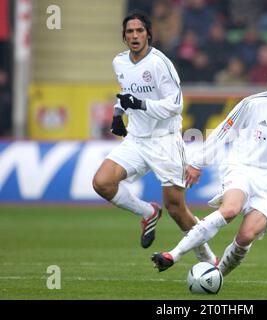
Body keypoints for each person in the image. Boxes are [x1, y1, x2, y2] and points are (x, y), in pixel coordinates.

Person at [151, 56, 267, 277]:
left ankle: (216, 276)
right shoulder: (253, 103)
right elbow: (224, 130)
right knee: (231, 209)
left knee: (245, 237)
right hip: (243, 168)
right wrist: (197, 162)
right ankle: (173, 255)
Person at [92, 10, 217, 265]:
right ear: (124, 37)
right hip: (137, 139)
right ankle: (148, 212)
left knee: (176, 209)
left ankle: (209, 261)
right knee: (102, 182)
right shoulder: (120, 62)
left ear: (149, 34)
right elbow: (126, 91)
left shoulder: (160, 64)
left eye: (139, 31)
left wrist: (138, 104)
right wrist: (118, 114)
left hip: (165, 141)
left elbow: (175, 105)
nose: (135, 35)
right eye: (130, 32)